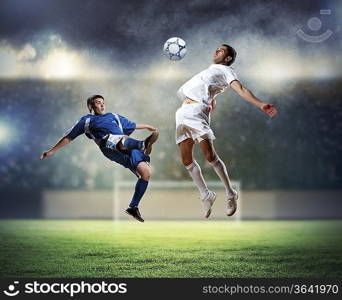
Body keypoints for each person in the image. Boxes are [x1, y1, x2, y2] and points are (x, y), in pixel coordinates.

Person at [176, 44, 277, 218]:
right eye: (216, 48)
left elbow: (241, 89)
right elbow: (204, 89)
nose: (216, 51)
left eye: (221, 50)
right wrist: (213, 97)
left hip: (197, 112)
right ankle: (206, 195)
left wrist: (260, 104)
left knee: (209, 155)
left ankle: (231, 194)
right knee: (186, 160)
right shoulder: (209, 71)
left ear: (228, 58)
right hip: (182, 112)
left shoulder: (225, 70)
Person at [40, 95, 159, 222]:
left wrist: (146, 126)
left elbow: (132, 125)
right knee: (122, 139)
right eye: (98, 103)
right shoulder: (87, 120)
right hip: (108, 144)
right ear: (91, 106)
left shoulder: (113, 116)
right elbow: (69, 137)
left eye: (103, 102)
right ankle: (143, 145)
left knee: (146, 173)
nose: (102, 105)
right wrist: (51, 151)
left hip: (127, 147)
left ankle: (133, 207)